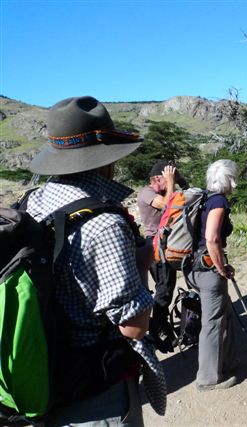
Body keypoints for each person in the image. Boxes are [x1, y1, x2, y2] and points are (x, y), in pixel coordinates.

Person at [26, 96, 166, 424]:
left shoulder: (32, 203)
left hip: (42, 370)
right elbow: (133, 328)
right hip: (96, 389)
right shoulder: (104, 223)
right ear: (105, 158)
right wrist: (140, 266)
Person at [188, 159, 239, 391]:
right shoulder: (218, 201)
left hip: (193, 266)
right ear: (229, 178)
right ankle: (208, 378)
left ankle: (224, 363)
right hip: (208, 269)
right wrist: (221, 268)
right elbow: (212, 238)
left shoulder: (204, 198)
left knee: (223, 315)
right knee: (213, 323)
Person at [137, 159, 188, 351]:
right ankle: (159, 328)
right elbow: (167, 206)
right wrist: (170, 182)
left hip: (166, 244)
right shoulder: (147, 192)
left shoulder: (163, 190)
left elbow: (187, 193)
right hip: (154, 245)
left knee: (168, 285)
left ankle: (161, 323)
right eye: (166, 179)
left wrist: (178, 179)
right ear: (158, 178)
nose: (170, 183)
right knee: (164, 289)